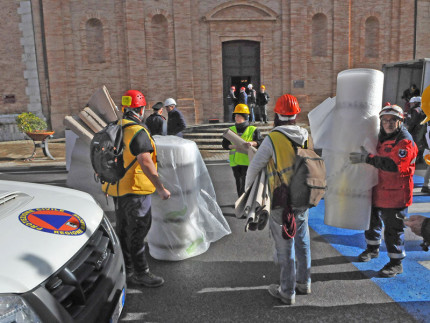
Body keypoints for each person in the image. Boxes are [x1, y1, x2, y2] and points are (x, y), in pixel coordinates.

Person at [245, 94, 311, 305]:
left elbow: (255, 167)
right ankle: (304, 283)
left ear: (277, 114)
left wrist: (248, 194)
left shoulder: (273, 138)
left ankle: (287, 291)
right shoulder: (305, 134)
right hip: (303, 197)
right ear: (296, 114)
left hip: (281, 200)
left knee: (285, 246)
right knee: (302, 241)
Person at [103, 89, 171, 287]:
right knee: (138, 232)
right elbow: (145, 161)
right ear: (141, 109)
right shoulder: (137, 131)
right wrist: (160, 187)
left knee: (124, 230)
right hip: (135, 191)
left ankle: (128, 269)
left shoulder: (115, 127)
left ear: (125, 108)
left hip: (117, 189)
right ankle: (141, 273)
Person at [350, 104, 418, 278]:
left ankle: (396, 263)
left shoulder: (405, 141)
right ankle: (372, 249)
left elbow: (394, 165)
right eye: (385, 120)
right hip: (378, 190)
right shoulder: (380, 137)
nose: (388, 123)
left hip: (396, 195)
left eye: (393, 120)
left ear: (400, 121)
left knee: (393, 230)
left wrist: (367, 159)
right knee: (371, 222)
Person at [222, 103, 262, 197]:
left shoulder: (253, 130)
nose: (236, 117)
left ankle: (246, 201)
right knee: (239, 183)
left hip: (248, 161)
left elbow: (260, 142)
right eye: (235, 115)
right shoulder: (231, 129)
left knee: (246, 183)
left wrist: (252, 143)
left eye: (239, 115)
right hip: (235, 162)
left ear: (245, 116)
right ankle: (241, 200)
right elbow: (224, 144)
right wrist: (232, 147)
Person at [406, 96, 425, 163]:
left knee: (414, 145)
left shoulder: (415, 110)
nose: (410, 105)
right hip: (422, 131)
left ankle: (415, 159)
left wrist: (408, 130)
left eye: (411, 103)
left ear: (415, 103)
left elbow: (413, 121)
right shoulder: (424, 109)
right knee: (421, 144)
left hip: (415, 131)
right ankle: (420, 158)